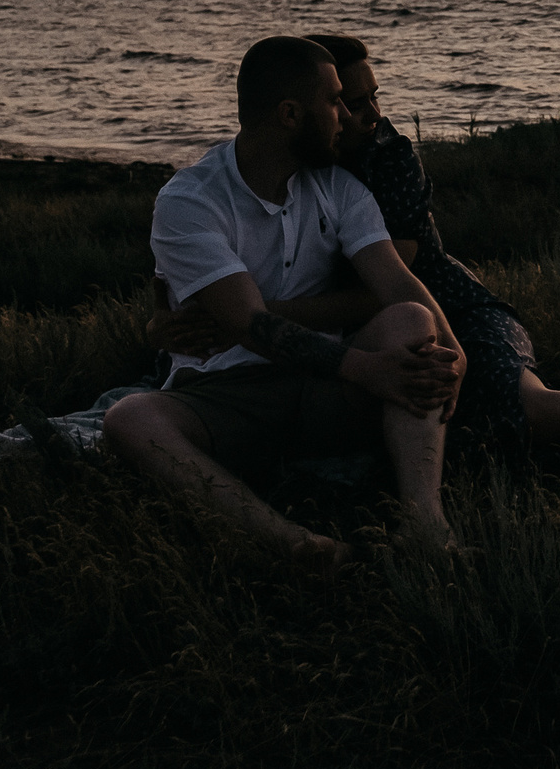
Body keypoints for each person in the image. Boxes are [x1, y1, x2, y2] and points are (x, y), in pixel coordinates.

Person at [157, 34, 560, 448]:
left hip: (447, 306)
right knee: (471, 436)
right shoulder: (280, 167)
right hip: (361, 333)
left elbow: (389, 288)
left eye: (371, 99)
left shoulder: (386, 162)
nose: (365, 116)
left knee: (529, 410)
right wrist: (186, 321)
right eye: (347, 101)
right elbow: (200, 271)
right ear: (298, 108)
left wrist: (247, 318)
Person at [101, 36, 468, 564]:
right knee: (130, 419)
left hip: (324, 390)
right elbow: (250, 325)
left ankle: (427, 528)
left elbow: (395, 282)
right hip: (226, 396)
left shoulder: (338, 188)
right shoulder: (191, 200)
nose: (347, 116)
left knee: (412, 319)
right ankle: (300, 547)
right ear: (290, 114)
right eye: (334, 101)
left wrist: (455, 354)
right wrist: (368, 369)